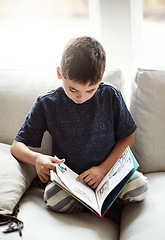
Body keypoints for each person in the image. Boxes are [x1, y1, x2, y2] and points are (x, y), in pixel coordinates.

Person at [11, 36, 148, 222]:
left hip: (107, 173)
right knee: (53, 199)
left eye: (90, 90)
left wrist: (102, 169)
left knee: (140, 187)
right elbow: (16, 146)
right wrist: (38, 159)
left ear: (101, 78)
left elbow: (127, 137)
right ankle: (101, 206)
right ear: (60, 73)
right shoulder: (47, 103)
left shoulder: (110, 96)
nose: (81, 97)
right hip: (72, 181)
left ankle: (100, 202)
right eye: (73, 89)